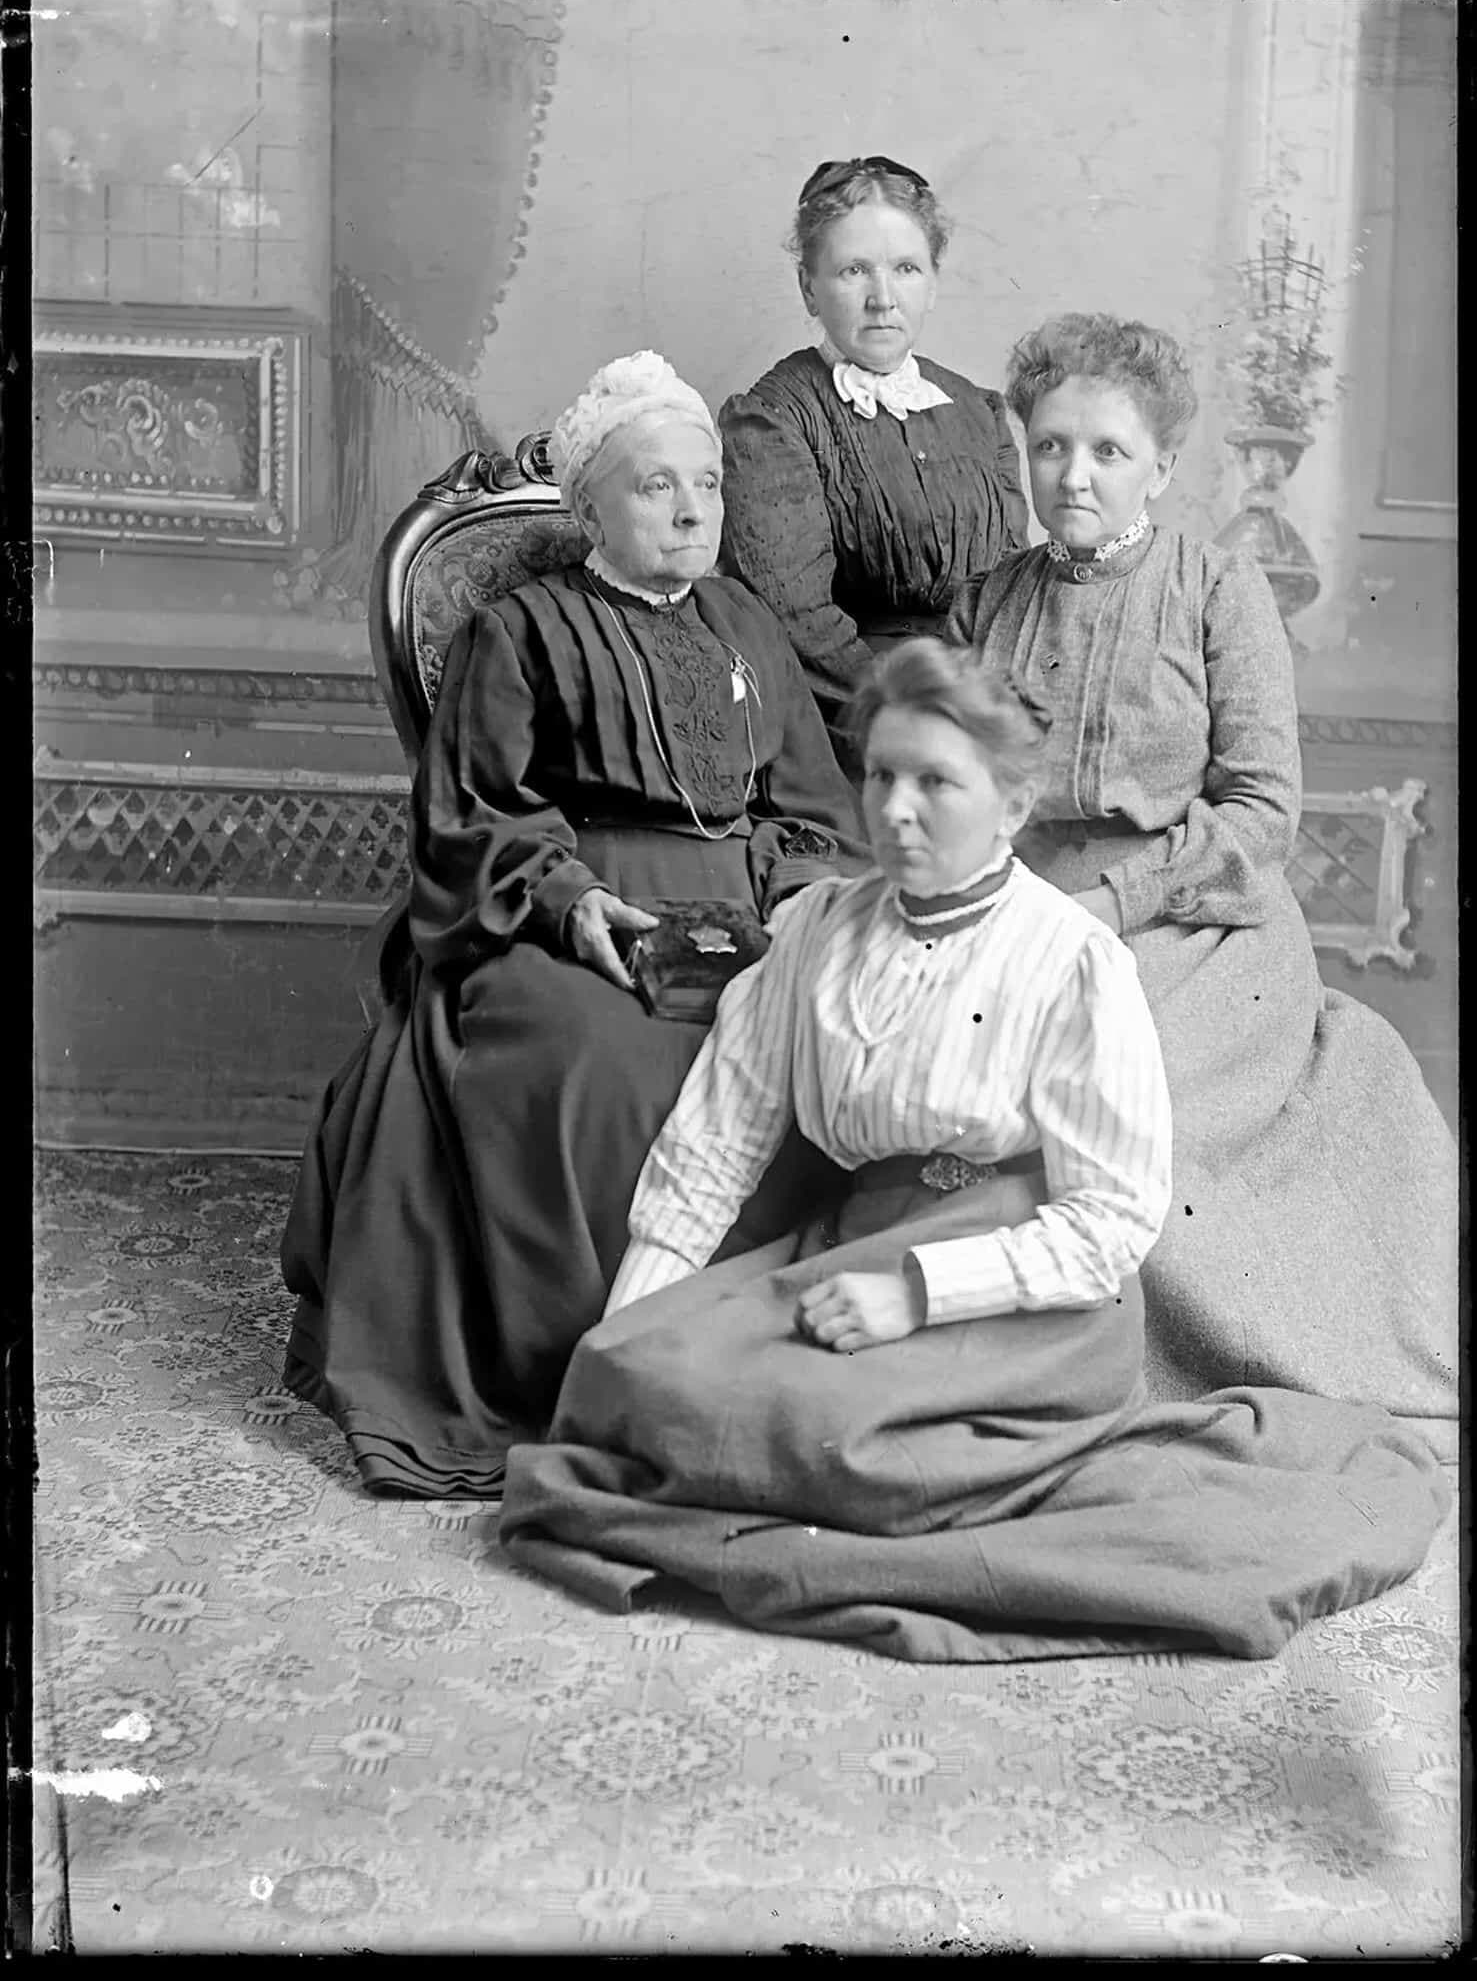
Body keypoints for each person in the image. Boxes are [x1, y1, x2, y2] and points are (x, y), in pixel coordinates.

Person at [497, 642, 1449, 1663]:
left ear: (1009, 803)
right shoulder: (819, 925)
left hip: (1017, 1290)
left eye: (936, 782)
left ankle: (902, 1477)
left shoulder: (1072, 959)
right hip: (852, 1244)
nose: (896, 810)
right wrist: (633, 1319)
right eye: (881, 776)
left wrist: (915, 1291)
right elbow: (715, 1146)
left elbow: (1111, 1222)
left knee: (814, 1431)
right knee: (632, 1373)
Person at [280, 351, 870, 1498]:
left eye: (705, 483)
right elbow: (468, 813)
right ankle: (597, 1376)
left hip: (747, 909)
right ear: (591, 503)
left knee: (816, 1045)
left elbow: (813, 805)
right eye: (656, 486)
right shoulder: (521, 628)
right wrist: (571, 900)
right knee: (606, 1064)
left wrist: (791, 900)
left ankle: (746, 1386)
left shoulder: (750, 623)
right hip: (564, 914)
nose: (693, 507)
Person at [941, 312, 1457, 1460]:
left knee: (1123, 1100)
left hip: (1193, 921)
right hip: (1020, 914)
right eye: (1051, 447)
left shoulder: (1219, 588)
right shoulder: (985, 602)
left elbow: (1262, 807)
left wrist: (1111, 909)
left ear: (1162, 468)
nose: (1073, 476)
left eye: (1109, 452)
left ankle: (1145, 1379)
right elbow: (951, 795)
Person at [717, 155, 1030, 771]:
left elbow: (1012, 593)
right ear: (809, 285)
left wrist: (990, 712)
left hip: (981, 707)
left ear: (933, 281)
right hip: (848, 719)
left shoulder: (978, 409)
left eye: (906, 269)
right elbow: (795, 617)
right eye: (854, 270)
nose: (882, 299)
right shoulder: (774, 418)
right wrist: (917, 717)